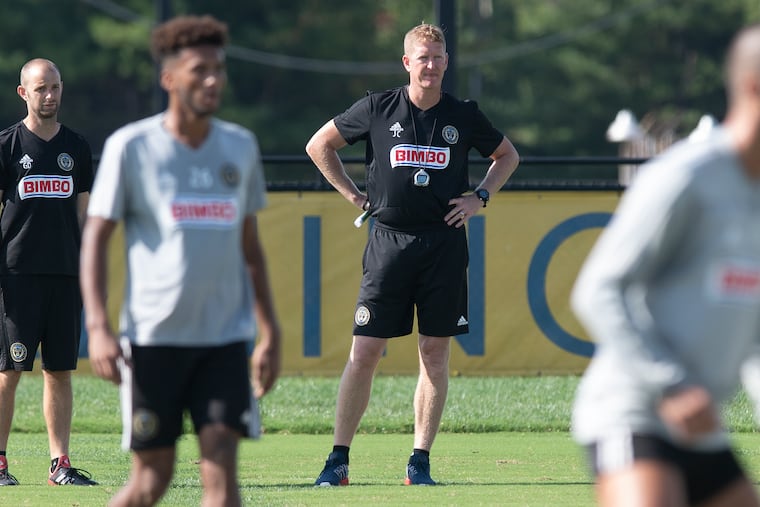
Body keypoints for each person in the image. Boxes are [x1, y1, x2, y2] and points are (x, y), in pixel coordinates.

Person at [79, 15, 281, 506]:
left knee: (221, 472)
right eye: (199, 70)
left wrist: (270, 331)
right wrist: (99, 326)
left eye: (219, 68)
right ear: (170, 78)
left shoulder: (240, 146)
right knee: (152, 481)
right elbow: (96, 238)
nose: (213, 80)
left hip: (224, 341)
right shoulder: (132, 147)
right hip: (153, 340)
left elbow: (250, 249)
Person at [306, 23, 519, 486]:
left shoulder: (462, 114)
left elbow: (507, 156)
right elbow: (318, 145)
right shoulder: (379, 107)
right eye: (422, 57)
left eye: (438, 57)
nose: (431, 65)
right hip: (389, 243)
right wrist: (354, 197)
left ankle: (419, 462)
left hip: (443, 244)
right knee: (364, 351)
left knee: (434, 353)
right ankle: (337, 461)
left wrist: (478, 198)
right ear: (407, 62)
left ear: (446, 62)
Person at [570, 24, 760, 507]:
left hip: (702, 429)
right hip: (631, 411)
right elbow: (598, 289)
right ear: (753, 87)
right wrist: (673, 384)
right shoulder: (686, 176)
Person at [0, 58, 97, 487]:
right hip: (17, 275)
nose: (50, 95)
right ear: (24, 93)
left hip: (65, 275)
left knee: (59, 370)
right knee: (9, 370)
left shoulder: (76, 146)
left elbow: (85, 216)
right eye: (41, 88)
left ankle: (60, 463)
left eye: (55, 86)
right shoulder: (7, 145)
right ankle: (0, 463)